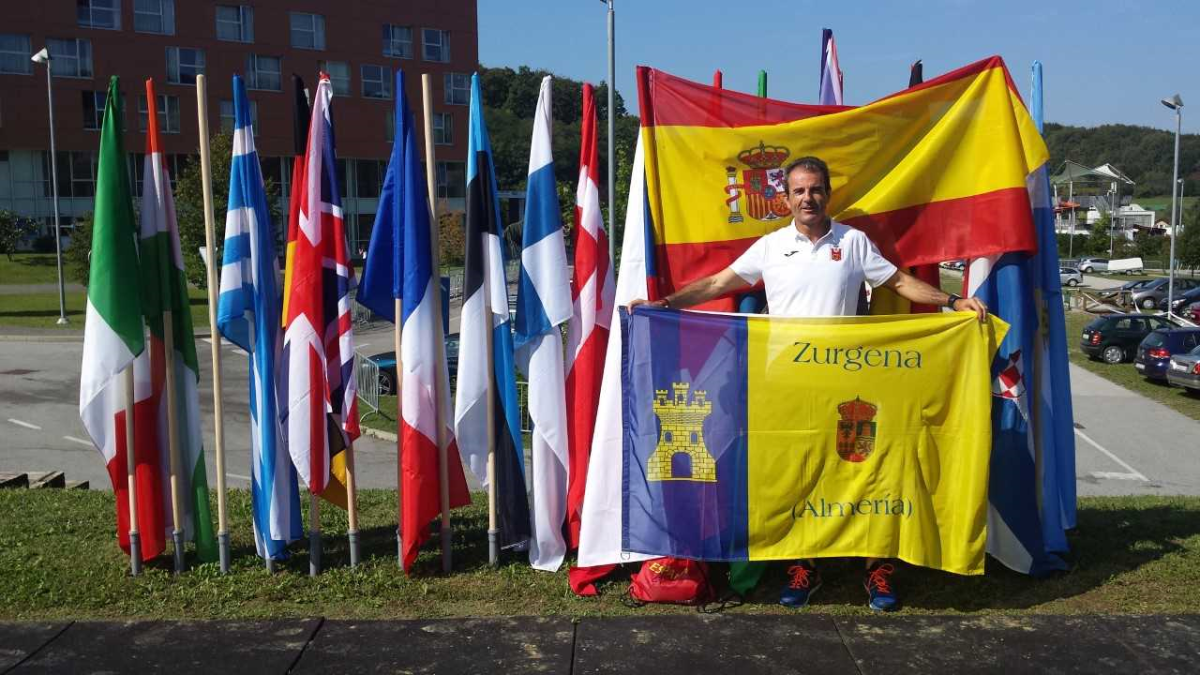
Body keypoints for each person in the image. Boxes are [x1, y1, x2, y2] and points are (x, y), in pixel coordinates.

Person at [629, 156, 987, 612]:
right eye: (798, 191)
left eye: (815, 189)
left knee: (863, 470)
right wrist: (664, 301)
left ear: (828, 193)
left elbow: (898, 281)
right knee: (796, 474)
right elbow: (719, 282)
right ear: (786, 198)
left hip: (845, 379)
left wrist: (953, 300)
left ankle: (876, 569)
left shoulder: (854, 242)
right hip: (785, 382)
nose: (807, 198)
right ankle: (804, 566)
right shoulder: (770, 246)